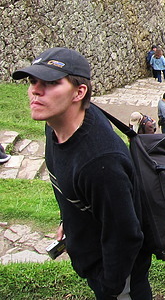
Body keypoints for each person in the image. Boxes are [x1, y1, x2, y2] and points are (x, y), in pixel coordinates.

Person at [13, 47, 151, 299]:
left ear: (79, 92)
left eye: (51, 83)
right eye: (33, 81)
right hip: (92, 256)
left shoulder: (101, 163)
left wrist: (110, 285)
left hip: (121, 280)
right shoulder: (55, 124)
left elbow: (126, 235)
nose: (35, 90)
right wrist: (70, 220)